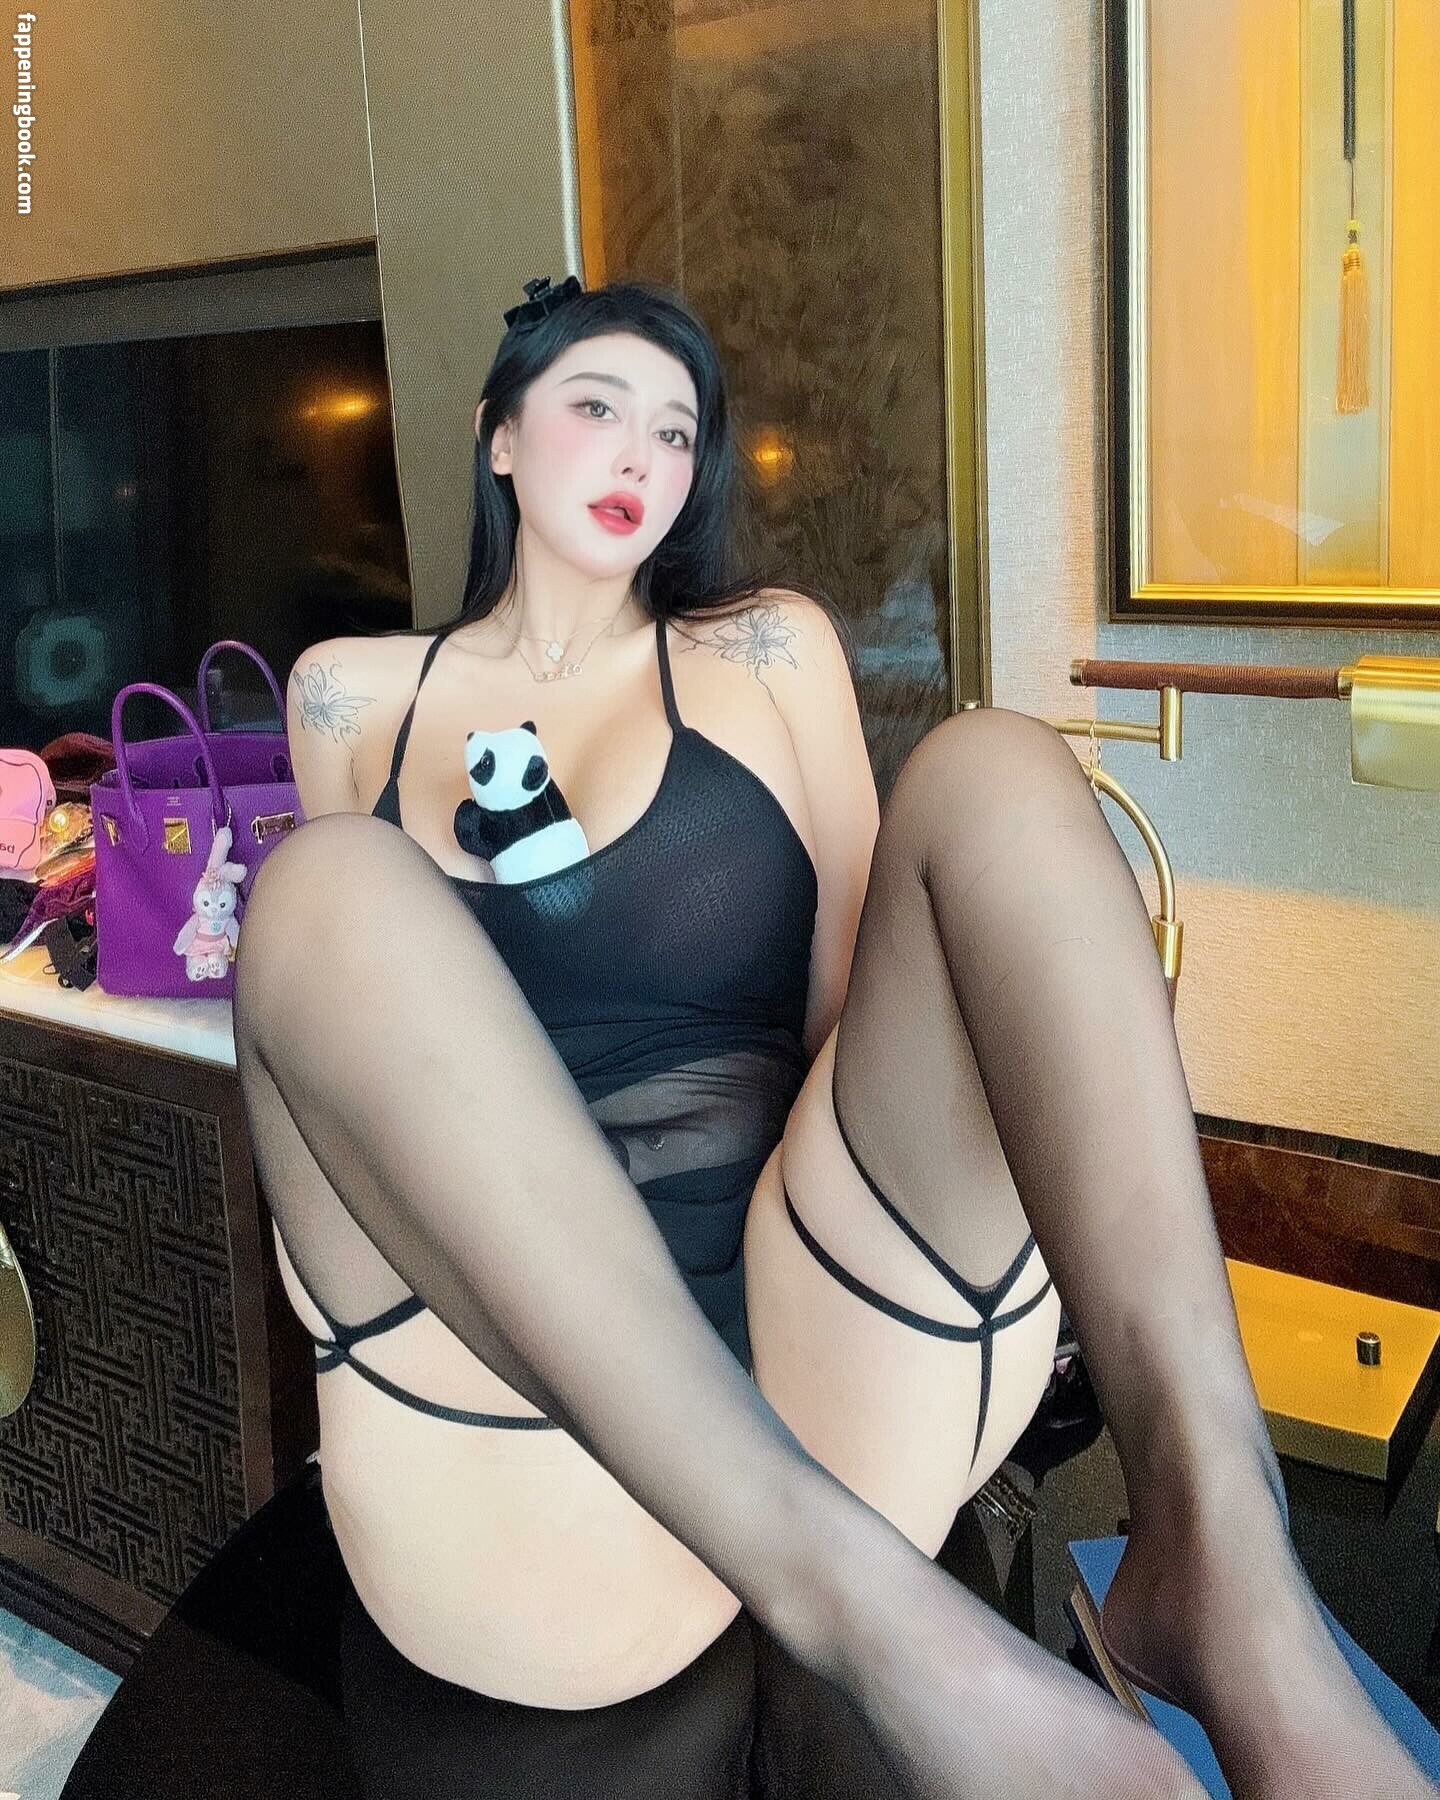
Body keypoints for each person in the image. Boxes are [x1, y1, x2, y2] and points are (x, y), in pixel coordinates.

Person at [231, 276, 1436, 1800]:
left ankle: (1227, 1565)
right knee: (325, 889)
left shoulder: (768, 653)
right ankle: (879, 1621)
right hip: (515, 1427)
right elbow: (360, 1081)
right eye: (597, 407)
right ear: (501, 438)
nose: (643, 455)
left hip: (823, 1356)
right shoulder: (350, 695)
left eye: (678, 431)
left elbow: (873, 1020)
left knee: (996, 770)